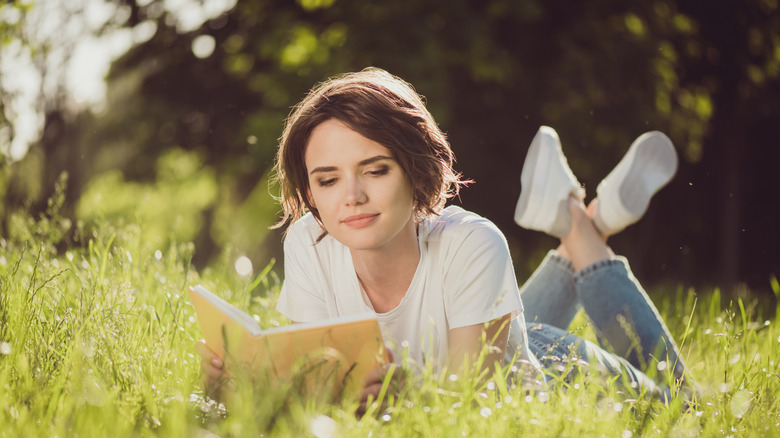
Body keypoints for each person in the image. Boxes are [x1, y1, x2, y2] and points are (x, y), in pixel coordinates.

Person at [196, 68, 695, 405]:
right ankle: (586, 221)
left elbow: (466, 408)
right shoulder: (309, 243)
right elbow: (318, 389)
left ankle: (580, 226)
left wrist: (400, 399)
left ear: (415, 172)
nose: (350, 196)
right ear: (309, 190)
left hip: (546, 364)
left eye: (374, 170)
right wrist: (243, 390)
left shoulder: (472, 243)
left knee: (686, 411)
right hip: (485, 331)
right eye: (327, 180)